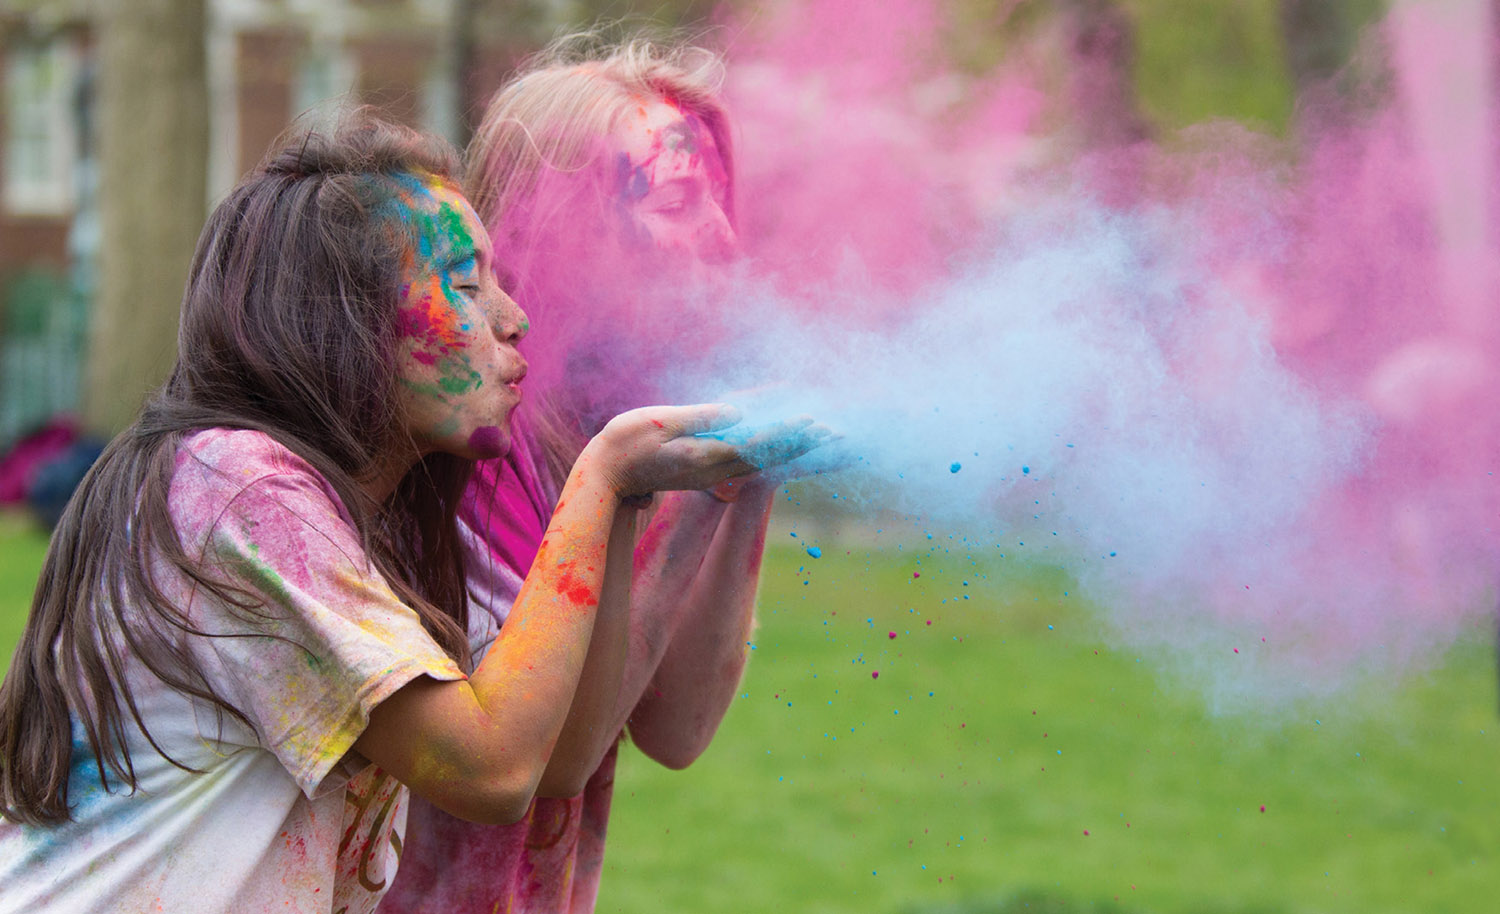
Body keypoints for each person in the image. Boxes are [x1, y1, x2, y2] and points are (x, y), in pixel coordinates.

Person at [0, 113, 816, 914]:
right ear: (341, 319)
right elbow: (489, 773)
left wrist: (628, 496)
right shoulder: (238, 489)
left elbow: (560, 762)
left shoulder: (345, 508)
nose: (513, 318)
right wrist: (599, 479)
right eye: (464, 284)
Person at [381, 35, 804, 914]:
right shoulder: (470, 448)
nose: (726, 239)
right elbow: (551, 753)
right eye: (684, 201)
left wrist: (751, 473)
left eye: (721, 201)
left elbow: (679, 727)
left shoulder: (629, 423)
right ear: (559, 221)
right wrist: (660, 478)